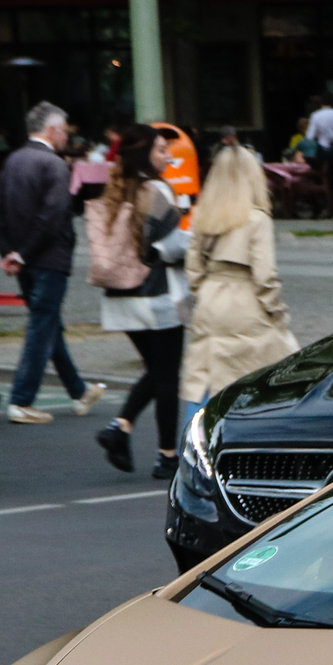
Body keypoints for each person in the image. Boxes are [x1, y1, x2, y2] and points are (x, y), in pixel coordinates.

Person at [0, 101, 106, 425]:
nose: (67, 136)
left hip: (23, 260)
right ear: (52, 129)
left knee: (48, 323)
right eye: (65, 130)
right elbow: (55, 216)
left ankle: (78, 390)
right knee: (42, 326)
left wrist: (10, 253)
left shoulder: (13, 161)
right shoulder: (54, 165)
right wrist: (24, 252)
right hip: (49, 258)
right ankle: (22, 400)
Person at [90, 123, 191, 477]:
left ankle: (120, 428)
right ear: (145, 154)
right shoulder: (159, 191)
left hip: (121, 300)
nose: (168, 156)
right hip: (157, 298)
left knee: (157, 370)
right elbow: (175, 248)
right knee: (167, 378)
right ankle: (166, 457)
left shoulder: (115, 191)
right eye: (162, 149)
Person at [180, 144, 297, 444]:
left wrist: (205, 291)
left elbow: (192, 267)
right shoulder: (256, 219)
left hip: (210, 298)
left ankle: (191, 448)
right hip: (245, 301)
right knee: (265, 374)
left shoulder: (204, 215)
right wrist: (277, 312)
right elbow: (265, 276)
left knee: (205, 379)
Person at [305, 93, 333, 216]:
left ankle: (332, 209)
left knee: (326, 179)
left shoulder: (316, 116)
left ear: (320, 103)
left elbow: (310, 136)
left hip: (324, 150)